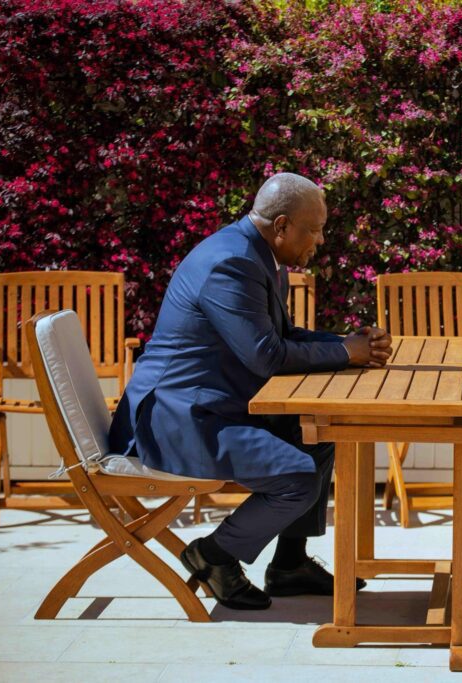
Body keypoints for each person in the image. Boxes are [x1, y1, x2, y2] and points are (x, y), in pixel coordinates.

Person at [109, 172, 392, 610]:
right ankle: (213, 554)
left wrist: (345, 343)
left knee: (315, 436)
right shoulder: (231, 263)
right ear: (281, 226)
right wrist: (345, 353)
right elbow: (266, 355)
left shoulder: (258, 255)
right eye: (314, 230)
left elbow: (283, 335)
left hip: (213, 404)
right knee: (296, 476)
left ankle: (289, 565)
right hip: (178, 419)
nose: (319, 240)